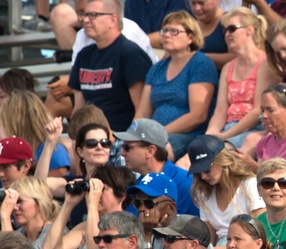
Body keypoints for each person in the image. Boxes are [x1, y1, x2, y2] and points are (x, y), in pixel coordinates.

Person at [133, 12, 218, 160]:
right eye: (164, 31)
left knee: (157, 151)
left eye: (174, 31)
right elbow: (142, 113)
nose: (166, 35)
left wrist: (159, 132)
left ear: (190, 38)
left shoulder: (200, 63)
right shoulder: (157, 68)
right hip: (153, 136)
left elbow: (198, 116)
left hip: (188, 135)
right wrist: (133, 135)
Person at [68, 0, 153, 133]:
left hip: (121, 135)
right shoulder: (83, 56)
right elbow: (78, 109)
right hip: (88, 137)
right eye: (85, 15)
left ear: (113, 20)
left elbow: (142, 112)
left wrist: (126, 143)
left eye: (93, 15)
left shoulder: (130, 54)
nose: (85, 20)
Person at [203, 8, 280, 150]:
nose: (227, 34)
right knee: (188, 160)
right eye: (225, 30)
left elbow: (258, 110)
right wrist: (210, 134)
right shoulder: (228, 67)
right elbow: (220, 111)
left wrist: (226, 136)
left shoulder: (265, 63)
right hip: (228, 129)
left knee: (220, 158)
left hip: (254, 129)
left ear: (249, 30)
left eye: (232, 29)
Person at [189, 137, 266, 248]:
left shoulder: (249, 184)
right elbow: (210, 239)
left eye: (206, 169)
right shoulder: (205, 194)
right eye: (198, 173)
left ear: (221, 160)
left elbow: (261, 232)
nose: (203, 176)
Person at [240, 85, 286, 198]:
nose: (264, 116)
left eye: (270, 110)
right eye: (262, 110)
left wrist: (254, 166)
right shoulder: (263, 143)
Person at [0, 177, 72, 249]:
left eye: (19, 201)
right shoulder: (21, 233)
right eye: (13, 202)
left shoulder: (55, 231)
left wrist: (5, 216)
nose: (14, 207)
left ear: (39, 203)